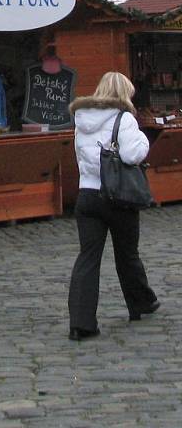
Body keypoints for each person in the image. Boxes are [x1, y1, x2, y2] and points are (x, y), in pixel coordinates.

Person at [67, 71, 160, 341]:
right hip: (118, 196)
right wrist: (144, 139)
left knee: (88, 257)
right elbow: (133, 154)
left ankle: (81, 322)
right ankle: (140, 302)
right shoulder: (125, 119)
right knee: (127, 253)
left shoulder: (81, 120)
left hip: (88, 194)